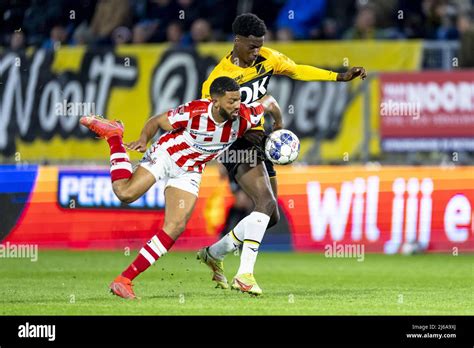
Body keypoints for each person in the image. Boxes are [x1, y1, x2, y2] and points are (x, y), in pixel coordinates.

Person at [196, 13, 367, 296]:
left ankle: (214, 253)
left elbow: (298, 70)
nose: (256, 51)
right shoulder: (218, 79)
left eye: (260, 45)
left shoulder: (268, 59)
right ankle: (245, 274)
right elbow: (209, 120)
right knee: (264, 201)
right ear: (237, 41)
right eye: (251, 46)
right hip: (235, 145)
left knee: (271, 215)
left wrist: (339, 76)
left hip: (259, 141)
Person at [80, 77, 265, 299]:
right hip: (167, 155)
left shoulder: (245, 115)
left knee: (175, 226)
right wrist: (143, 138)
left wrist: (280, 125)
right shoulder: (195, 112)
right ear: (215, 102)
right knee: (125, 193)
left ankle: (124, 280)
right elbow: (158, 121)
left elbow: (269, 103)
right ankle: (113, 136)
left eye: (239, 100)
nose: (237, 106)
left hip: (191, 170)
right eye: (231, 101)